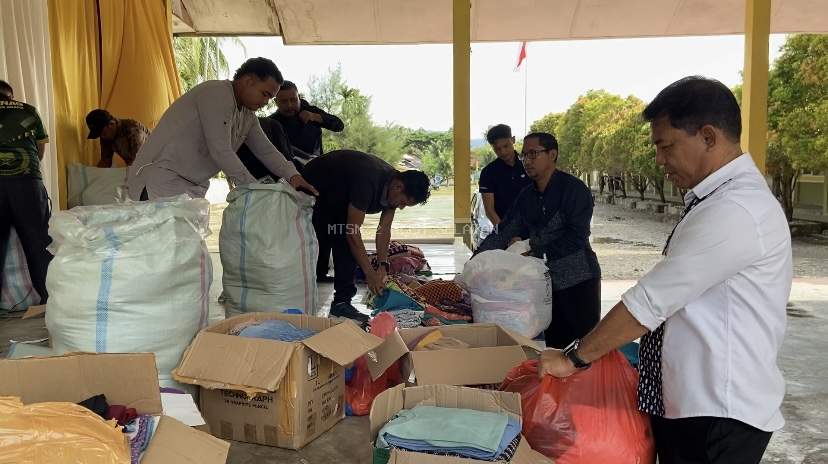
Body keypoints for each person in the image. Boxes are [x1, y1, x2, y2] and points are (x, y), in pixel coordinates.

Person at [540, 76, 791, 464]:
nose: (659, 160)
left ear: (708, 136)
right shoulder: (718, 199)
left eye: (665, 145)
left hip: (718, 413)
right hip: (696, 405)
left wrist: (574, 358)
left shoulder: (735, 210)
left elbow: (649, 302)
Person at [474, 132, 601, 347]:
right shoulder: (527, 196)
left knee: (583, 351)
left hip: (578, 281)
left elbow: (576, 237)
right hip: (545, 286)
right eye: (524, 155)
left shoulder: (574, 190)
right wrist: (476, 262)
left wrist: (533, 250)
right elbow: (504, 232)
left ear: (552, 155)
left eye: (533, 154)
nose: (527, 161)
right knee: (554, 350)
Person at [126, 57, 317, 200]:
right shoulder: (216, 93)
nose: (266, 102)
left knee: (183, 250)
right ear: (248, 81)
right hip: (160, 179)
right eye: (265, 94)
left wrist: (294, 176)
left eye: (269, 98)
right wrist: (255, 190)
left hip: (192, 188)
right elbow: (220, 150)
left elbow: (266, 151)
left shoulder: (247, 116)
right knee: (163, 249)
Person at [301, 150, 430, 323]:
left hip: (340, 191)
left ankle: (340, 298)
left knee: (343, 239)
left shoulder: (393, 186)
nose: (400, 208)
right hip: (316, 183)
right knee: (344, 241)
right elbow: (352, 232)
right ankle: (341, 304)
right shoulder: (368, 180)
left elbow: (384, 230)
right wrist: (369, 273)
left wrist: (383, 266)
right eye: (403, 203)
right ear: (398, 187)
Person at [0, 79, 52, 304]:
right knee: (38, 242)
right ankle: (50, 300)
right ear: (10, 97)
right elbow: (40, 149)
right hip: (27, 182)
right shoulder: (28, 110)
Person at [269, 80, 344, 158]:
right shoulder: (271, 123)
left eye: (293, 100)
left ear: (299, 97)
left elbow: (339, 125)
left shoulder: (311, 110)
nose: (289, 105)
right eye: (284, 101)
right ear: (276, 102)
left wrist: (315, 117)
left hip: (316, 165)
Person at [479, 124, 531, 228]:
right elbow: (490, 211)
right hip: (506, 233)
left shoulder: (530, 164)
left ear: (513, 140)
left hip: (534, 231)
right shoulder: (488, 172)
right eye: (497, 149)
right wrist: (506, 236)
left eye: (506, 146)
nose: (502, 152)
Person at [85, 109, 150, 167]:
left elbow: (140, 162)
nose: (102, 137)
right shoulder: (106, 136)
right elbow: (105, 161)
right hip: (137, 167)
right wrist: (95, 175)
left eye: (103, 133)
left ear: (111, 124)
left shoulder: (133, 131)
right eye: (99, 134)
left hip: (153, 163)